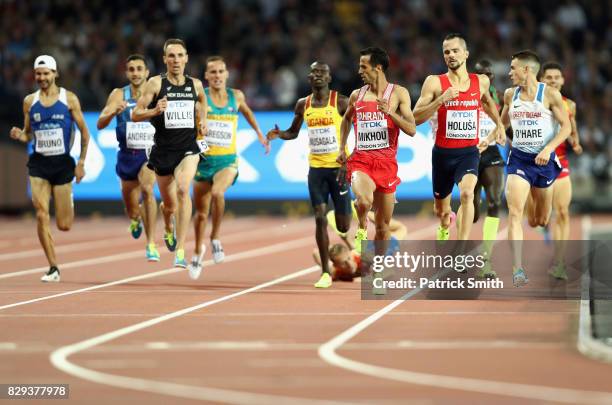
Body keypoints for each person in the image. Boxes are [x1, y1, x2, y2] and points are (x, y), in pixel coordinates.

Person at [266, 61, 351, 289]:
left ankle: (340, 217)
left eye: (322, 72)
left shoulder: (341, 102)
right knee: (319, 217)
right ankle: (325, 272)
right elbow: (293, 132)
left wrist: (347, 159)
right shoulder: (303, 104)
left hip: (339, 169)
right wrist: (279, 134)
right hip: (316, 170)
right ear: (309, 78)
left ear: (329, 78)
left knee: (344, 227)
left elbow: (357, 131)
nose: (318, 75)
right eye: (314, 72)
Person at [413, 34, 505, 242]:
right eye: (446, 52)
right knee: (441, 211)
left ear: (466, 54)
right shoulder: (434, 82)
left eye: (455, 51)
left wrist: (499, 124)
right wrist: (441, 101)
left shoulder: (480, 81)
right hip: (443, 155)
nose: (451, 55)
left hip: (469, 152)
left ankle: (461, 251)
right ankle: (445, 225)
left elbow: (488, 102)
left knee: (467, 195)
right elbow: (415, 117)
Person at [9, 55, 90, 282]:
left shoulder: (69, 99)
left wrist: (81, 163)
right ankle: (53, 267)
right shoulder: (29, 101)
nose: (42, 78)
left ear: (55, 74)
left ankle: (67, 202)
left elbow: (85, 133)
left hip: (63, 164)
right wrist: (20, 135)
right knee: (41, 213)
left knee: (64, 225)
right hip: (39, 164)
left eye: (46, 73)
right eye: (38, 74)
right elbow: (28, 134)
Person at [189, 56, 269, 279]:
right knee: (201, 214)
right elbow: (192, 122)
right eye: (212, 72)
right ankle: (197, 251)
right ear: (206, 76)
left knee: (218, 192)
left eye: (220, 71)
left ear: (227, 74)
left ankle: (215, 239)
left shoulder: (237, 96)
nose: (217, 76)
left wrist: (259, 134)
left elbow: (247, 112)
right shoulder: (201, 98)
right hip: (204, 161)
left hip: (227, 160)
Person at [132, 38, 208, 269]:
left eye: (180, 55)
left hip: (188, 148)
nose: (176, 60)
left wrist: (202, 120)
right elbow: (135, 113)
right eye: (171, 56)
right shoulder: (155, 84)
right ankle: (168, 227)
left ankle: (181, 251)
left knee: (184, 189)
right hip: (163, 152)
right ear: (165, 59)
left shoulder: (195, 85)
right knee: (169, 205)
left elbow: (202, 101)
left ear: (186, 58)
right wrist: (155, 110)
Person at [337, 46, 416, 260]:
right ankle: (361, 230)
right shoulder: (356, 95)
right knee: (363, 201)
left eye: (364, 67)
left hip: (387, 165)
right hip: (361, 160)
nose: (359, 71)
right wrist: (342, 148)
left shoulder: (399, 94)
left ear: (378, 68)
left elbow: (412, 129)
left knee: (383, 227)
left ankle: (378, 271)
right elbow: (345, 120)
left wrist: (390, 113)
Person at [501, 50, 571, 286]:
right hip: (519, 160)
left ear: (526, 70)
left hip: (544, 163)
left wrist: (548, 149)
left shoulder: (549, 94)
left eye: (513, 68)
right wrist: (492, 137)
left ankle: (534, 199)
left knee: (539, 220)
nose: (509, 72)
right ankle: (518, 269)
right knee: (514, 214)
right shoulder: (510, 95)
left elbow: (566, 128)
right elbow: (502, 124)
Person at [97, 54, 161, 262]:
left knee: (148, 189)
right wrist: (112, 112)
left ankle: (151, 243)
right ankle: (135, 219)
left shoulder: (156, 94)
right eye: (131, 69)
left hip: (149, 153)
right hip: (126, 155)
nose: (135, 73)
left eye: (139, 69)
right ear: (127, 73)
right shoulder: (118, 94)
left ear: (147, 73)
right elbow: (100, 123)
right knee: (132, 207)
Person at [539, 61, 583, 279]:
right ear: (541, 80)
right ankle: (543, 224)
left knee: (563, 212)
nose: (553, 81)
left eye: (557, 77)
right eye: (549, 77)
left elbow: (572, 128)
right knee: (539, 217)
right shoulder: (535, 104)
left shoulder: (570, 105)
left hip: (561, 163)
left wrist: (576, 142)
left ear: (563, 80)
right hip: (537, 165)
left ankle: (559, 262)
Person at [472, 59, 506, 278]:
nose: (485, 78)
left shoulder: (500, 96)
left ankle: (486, 258)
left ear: (492, 77)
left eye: (489, 74)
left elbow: (506, 121)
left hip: (491, 151)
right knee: (473, 213)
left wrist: (502, 133)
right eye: (481, 74)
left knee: (494, 202)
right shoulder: (465, 92)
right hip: (469, 152)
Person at [314, 210, 408, 282]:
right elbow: (315, 252)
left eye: (349, 259)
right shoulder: (336, 271)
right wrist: (328, 259)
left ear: (351, 254)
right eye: (343, 263)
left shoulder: (366, 260)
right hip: (364, 250)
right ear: (336, 265)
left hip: (378, 250)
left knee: (401, 228)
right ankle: (350, 235)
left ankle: (365, 213)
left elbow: (390, 272)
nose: (349, 264)